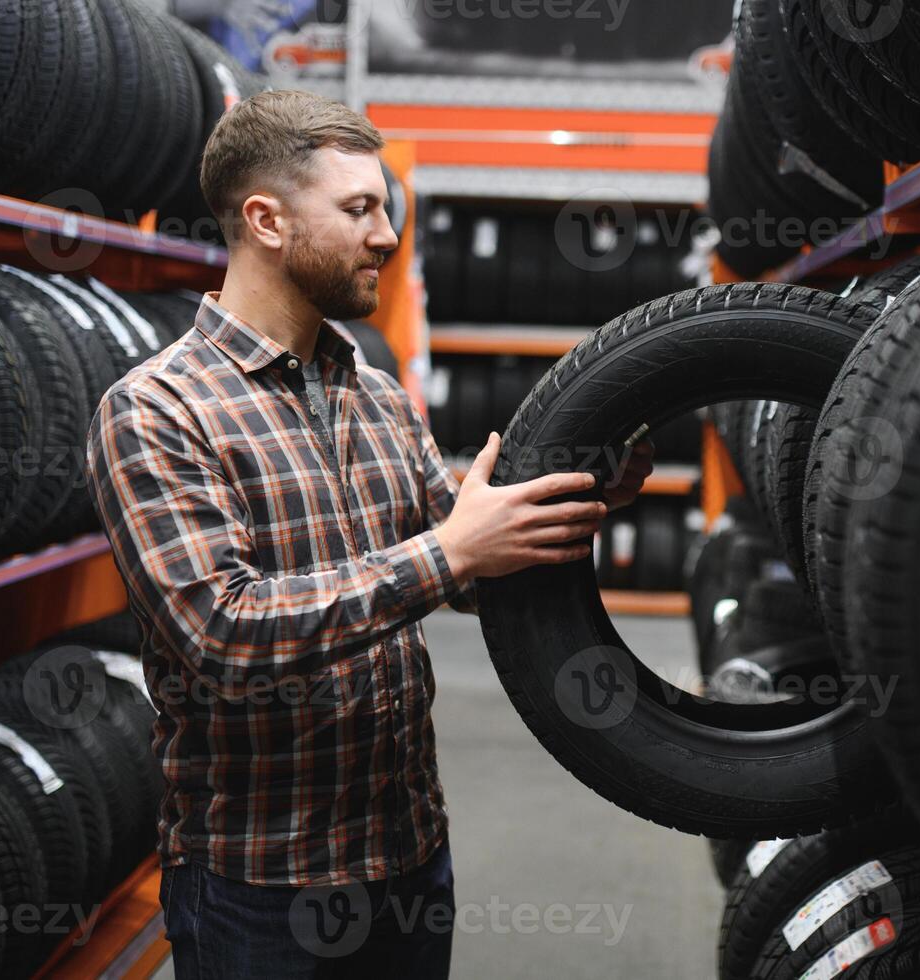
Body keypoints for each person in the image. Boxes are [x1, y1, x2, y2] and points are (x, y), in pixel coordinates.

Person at [84, 89, 653, 978]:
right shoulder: (155, 411)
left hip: (408, 860)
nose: (388, 234)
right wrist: (451, 550)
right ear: (266, 221)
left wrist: (570, 497)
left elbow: (463, 566)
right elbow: (221, 633)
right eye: (360, 209)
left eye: (384, 207)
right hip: (261, 888)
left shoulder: (375, 396)